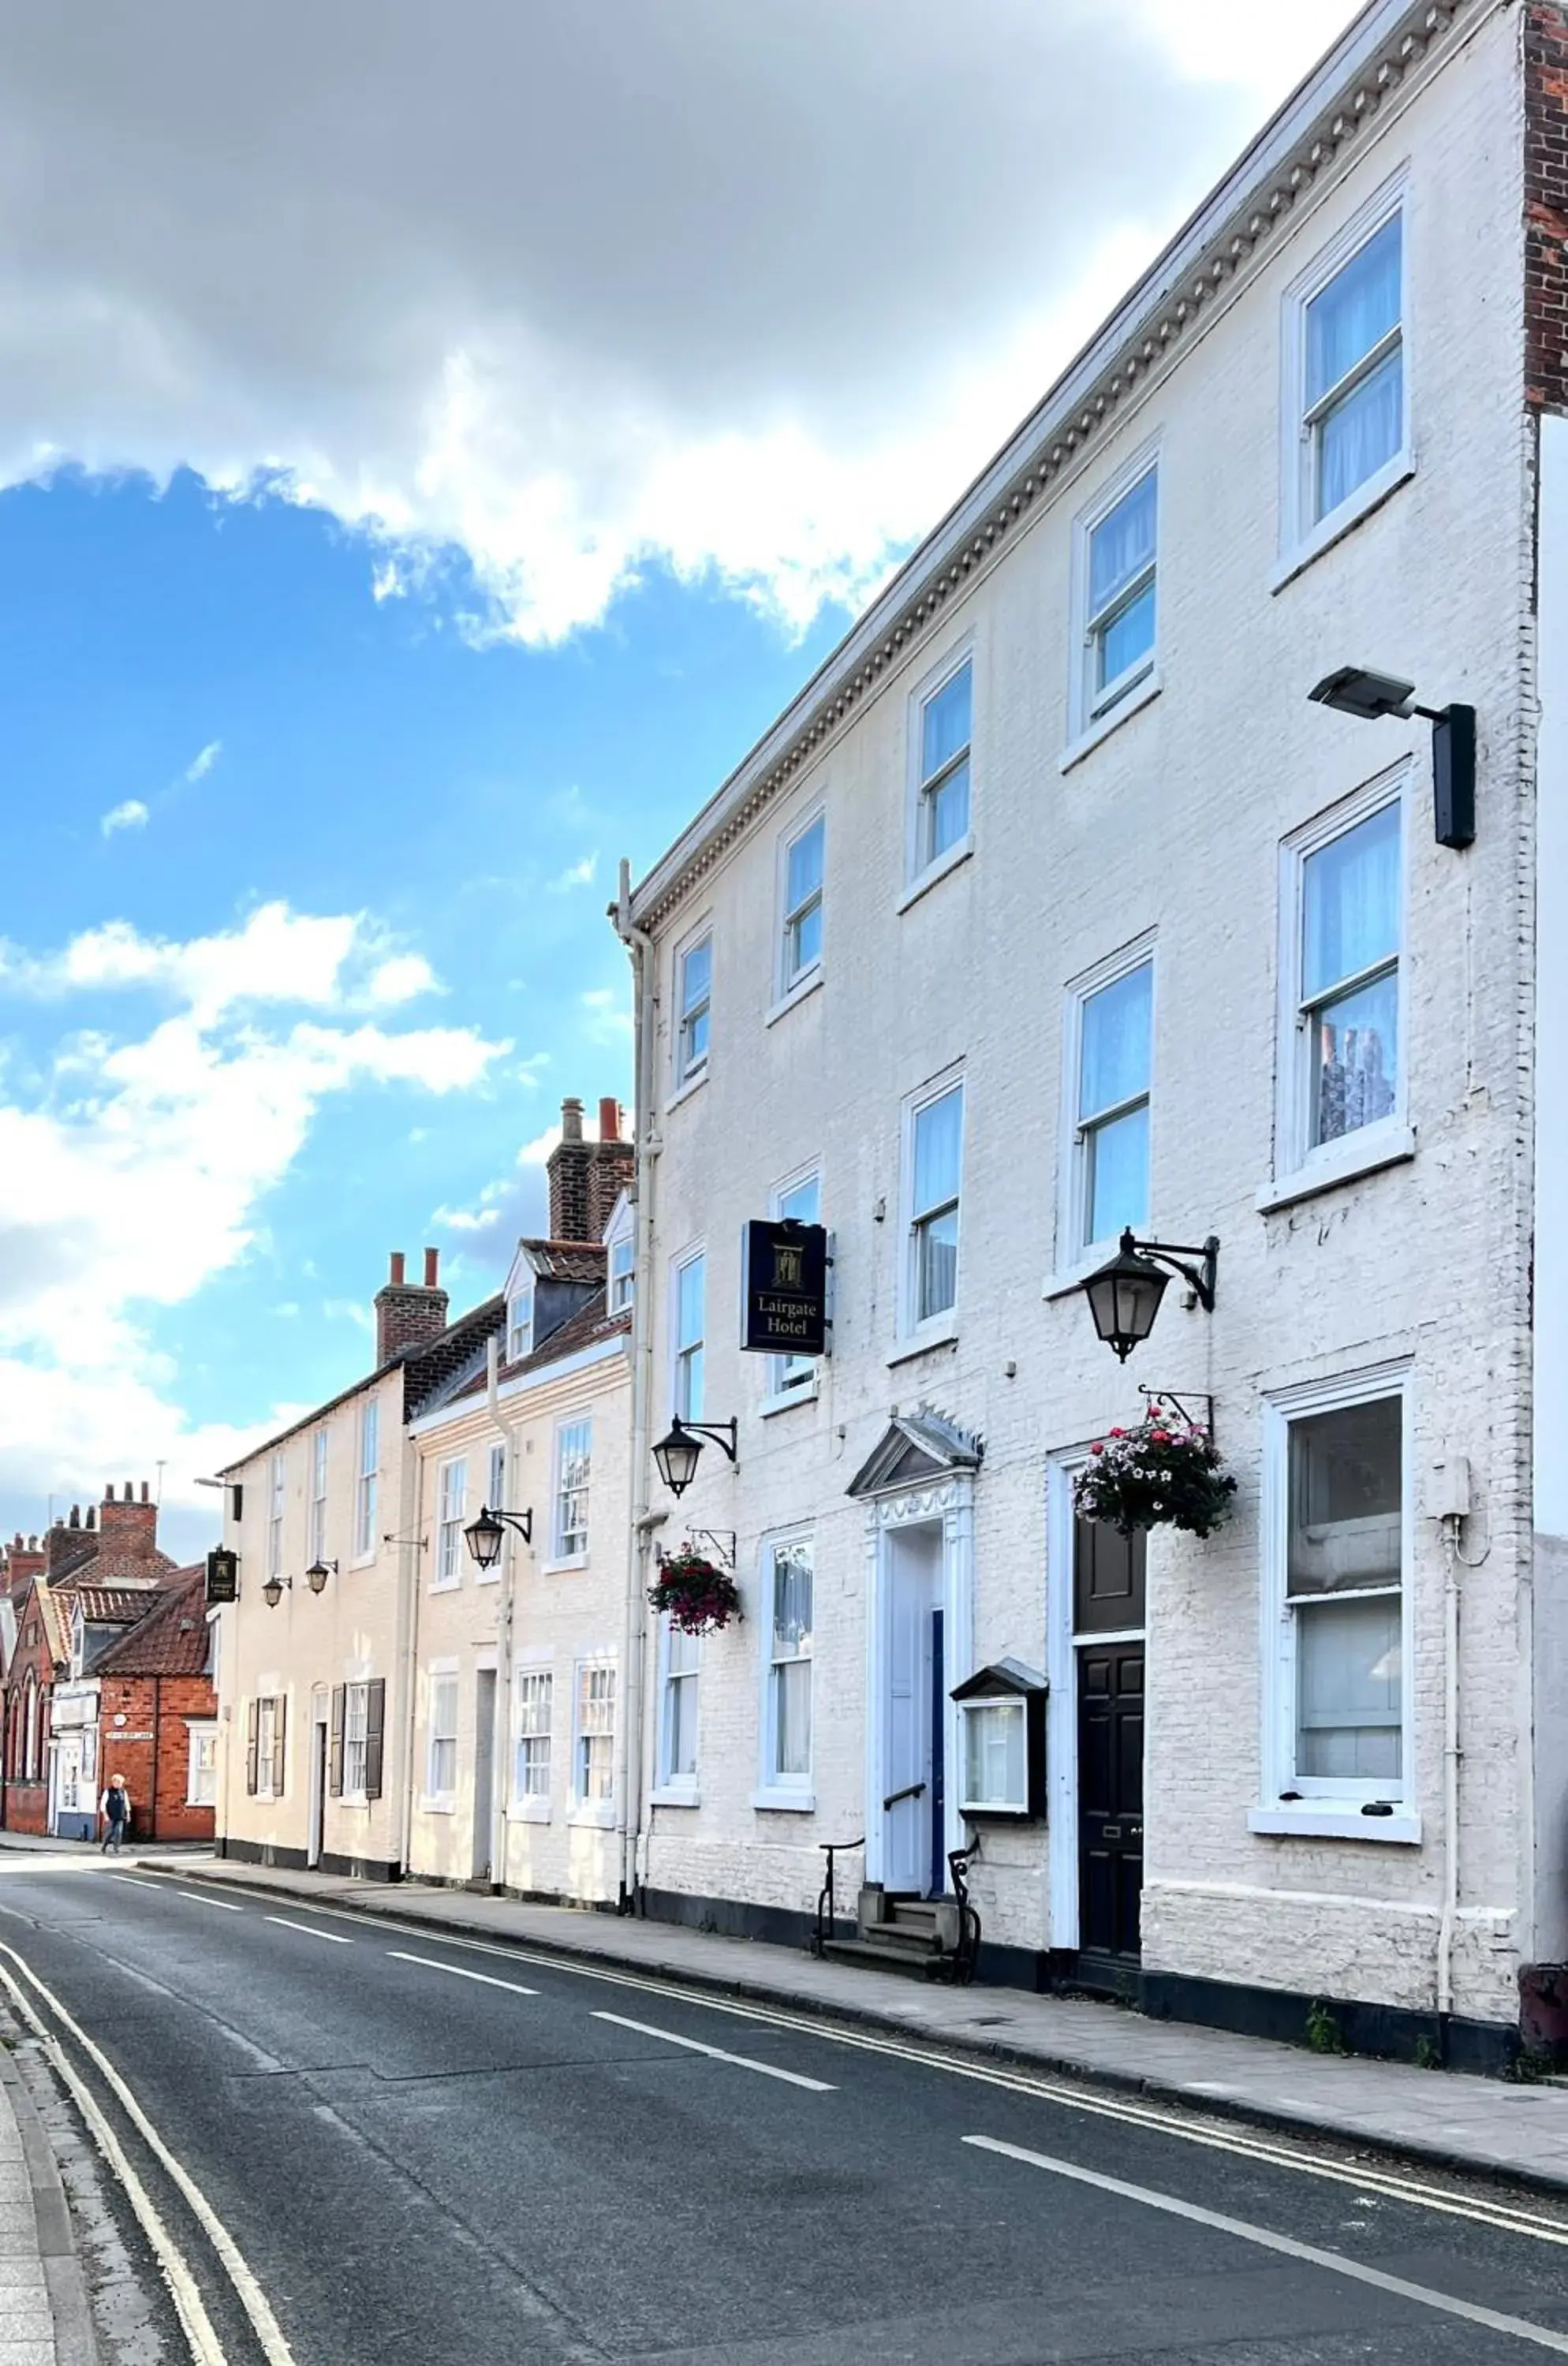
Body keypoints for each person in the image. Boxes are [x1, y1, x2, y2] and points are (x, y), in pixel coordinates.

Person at [99, 1774, 131, 1855]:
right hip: (111, 1816)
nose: (119, 1784)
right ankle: (104, 1846)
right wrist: (105, 1815)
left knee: (119, 1832)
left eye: (121, 1783)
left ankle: (116, 1848)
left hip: (120, 1815)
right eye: (118, 1782)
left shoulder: (123, 1792)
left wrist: (128, 1814)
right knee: (111, 1832)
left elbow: (127, 1804)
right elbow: (103, 1804)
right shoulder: (108, 1792)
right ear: (113, 1782)